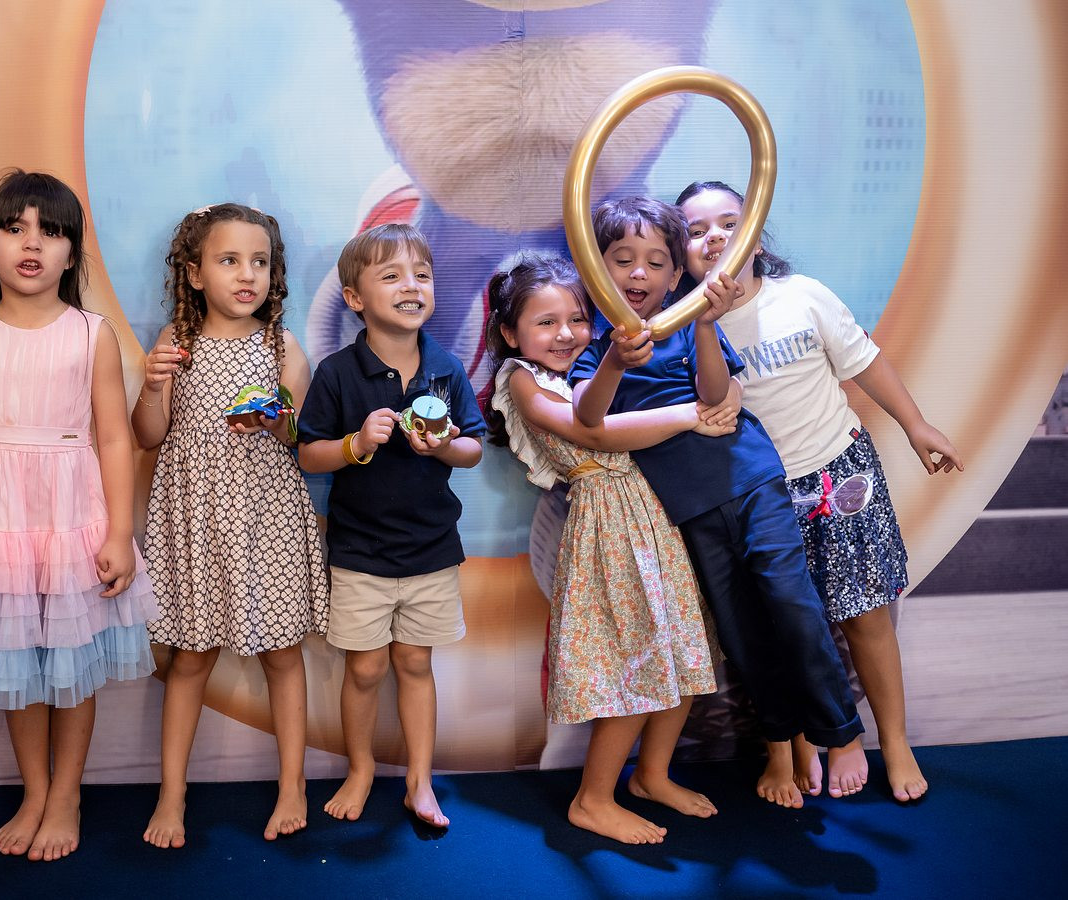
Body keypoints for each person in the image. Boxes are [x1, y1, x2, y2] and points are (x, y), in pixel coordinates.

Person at [570, 197, 867, 808]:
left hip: (752, 481)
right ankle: (782, 737)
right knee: (742, 634)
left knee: (793, 603)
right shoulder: (595, 350)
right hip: (692, 511)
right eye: (622, 259)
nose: (639, 273)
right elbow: (589, 416)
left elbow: (713, 391)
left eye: (656, 262)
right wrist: (615, 360)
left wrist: (705, 324)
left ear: (675, 275)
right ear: (595, 268)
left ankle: (841, 733)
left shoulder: (687, 325)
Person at [677, 181, 963, 803]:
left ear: (756, 235)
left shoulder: (803, 296)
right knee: (785, 625)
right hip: (760, 496)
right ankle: (806, 741)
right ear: (682, 253)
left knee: (865, 619)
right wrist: (701, 320)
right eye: (695, 231)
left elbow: (866, 362)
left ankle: (894, 742)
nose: (714, 237)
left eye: (729, 222)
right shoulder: (682, 327)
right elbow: (707, 401)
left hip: (839, 473)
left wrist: (916, 426)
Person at [0, 169, 157, 861]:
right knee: (14, 660)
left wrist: (119, 533)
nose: (31, 243)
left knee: (71, 664)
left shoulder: (91, 335)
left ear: (72, 253)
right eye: (14, 228)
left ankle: (67, 794)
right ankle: (36, 792)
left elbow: (114, 439)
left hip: (72, 516)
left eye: (50, 231)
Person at [485, 252, 730, 843]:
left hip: (654, 519)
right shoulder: (521, 380)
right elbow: (591, 432)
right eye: (546, 322)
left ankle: (651, 775)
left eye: (576, 318)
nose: (565, 333)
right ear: (510, 333)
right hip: (610, 529)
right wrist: (690, 415)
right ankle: (592, 800)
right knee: (637, 661)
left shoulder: (587, 365)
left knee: (683, 650)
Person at [135, 203, 329, 848]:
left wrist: (280, 421)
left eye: (259, 262)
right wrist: (153, 385)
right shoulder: (176, 342)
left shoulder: (281, 346)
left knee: (283, 654)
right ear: (194, 274)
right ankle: (171, 794)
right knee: (190, 658)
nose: (247, 275)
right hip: (197, 518)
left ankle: (293, 785)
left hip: (266, 519)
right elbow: (148, 435)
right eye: (228, 260)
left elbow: (302, 437)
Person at [297, 223, 485, 829]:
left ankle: (419, 782)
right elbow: (308, 455)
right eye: (392, 275)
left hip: (432, 550)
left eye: (422, 275)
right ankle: (359, 769)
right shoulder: (337, 371)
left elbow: (474, 448)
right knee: (365, 668)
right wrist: (356, 444)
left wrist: (445, 444)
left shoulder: (446, 367)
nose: (412, 286)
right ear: (355, 298)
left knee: (414, 664)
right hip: (359, 551)